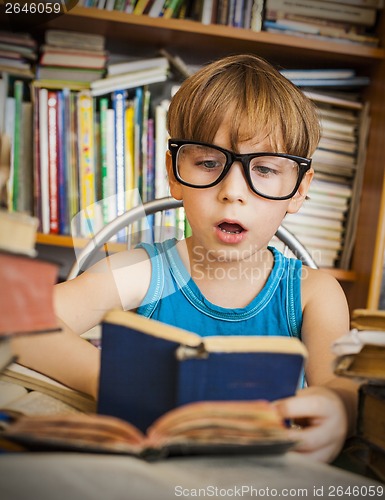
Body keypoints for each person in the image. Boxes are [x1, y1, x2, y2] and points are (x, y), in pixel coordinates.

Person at [13, 54, 358, 463]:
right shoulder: (143, 272)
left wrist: (339, 409)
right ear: (175, 173)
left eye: (264, 169)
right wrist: (105, 376)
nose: (233, 191)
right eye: (209, 163)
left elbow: (341, 386)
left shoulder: (313, 293)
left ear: (300, 188)